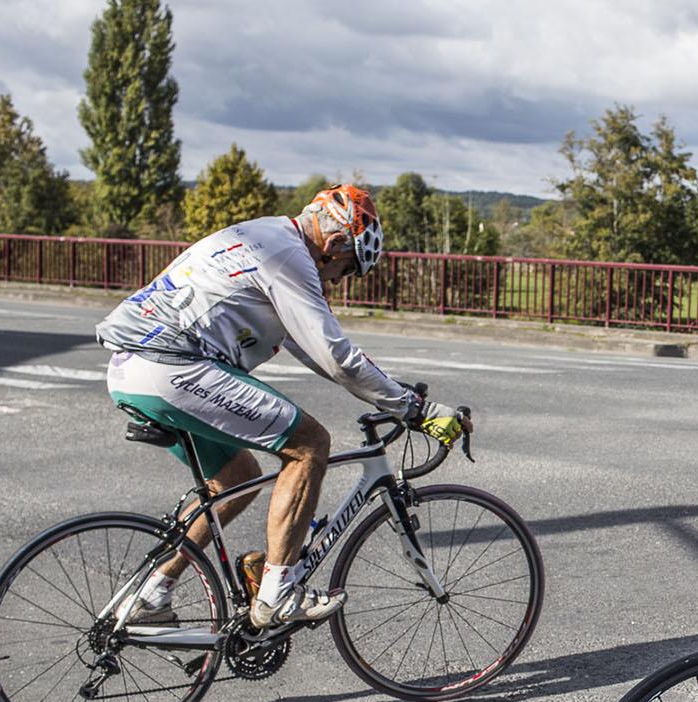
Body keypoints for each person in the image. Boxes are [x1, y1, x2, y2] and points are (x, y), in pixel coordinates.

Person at [93, 184, 468, 630]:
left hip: (133, 369)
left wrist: (392, 391)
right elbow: (337, 358)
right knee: (310, 444)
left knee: (237, 479)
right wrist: (416, 411)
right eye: (346, 270)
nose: (337, 283)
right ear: (332, 247)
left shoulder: (267, 236)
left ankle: (152, 593)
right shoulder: (290, 259)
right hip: (170, 367)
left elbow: (317, 352)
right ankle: (277, 593)